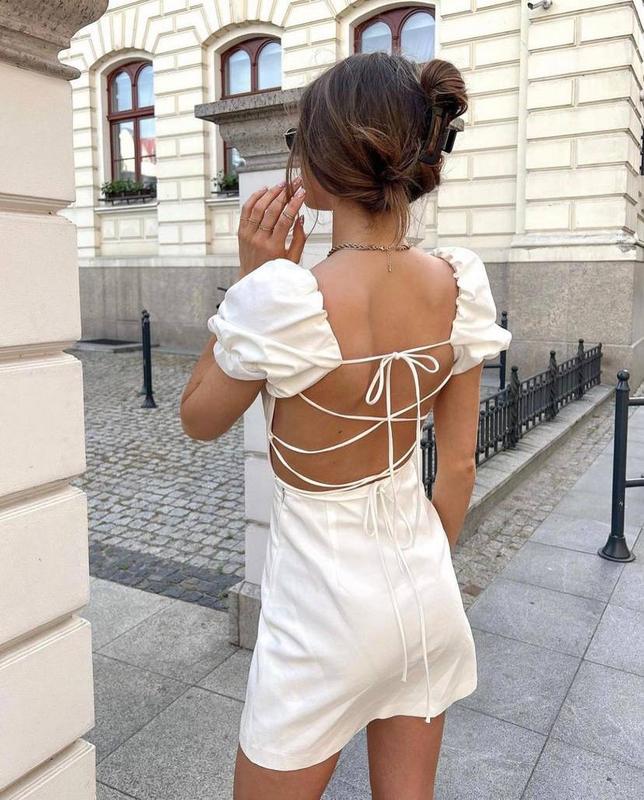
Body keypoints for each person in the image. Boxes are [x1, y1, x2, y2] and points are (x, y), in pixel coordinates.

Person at [180, 51, 512, 800]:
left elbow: (199, 417)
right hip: (423, 590)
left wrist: (249, 280)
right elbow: (458, 468)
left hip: (319, 610)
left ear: (326, 157)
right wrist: (422, 566)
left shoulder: (284, 296)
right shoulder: (457, 280)